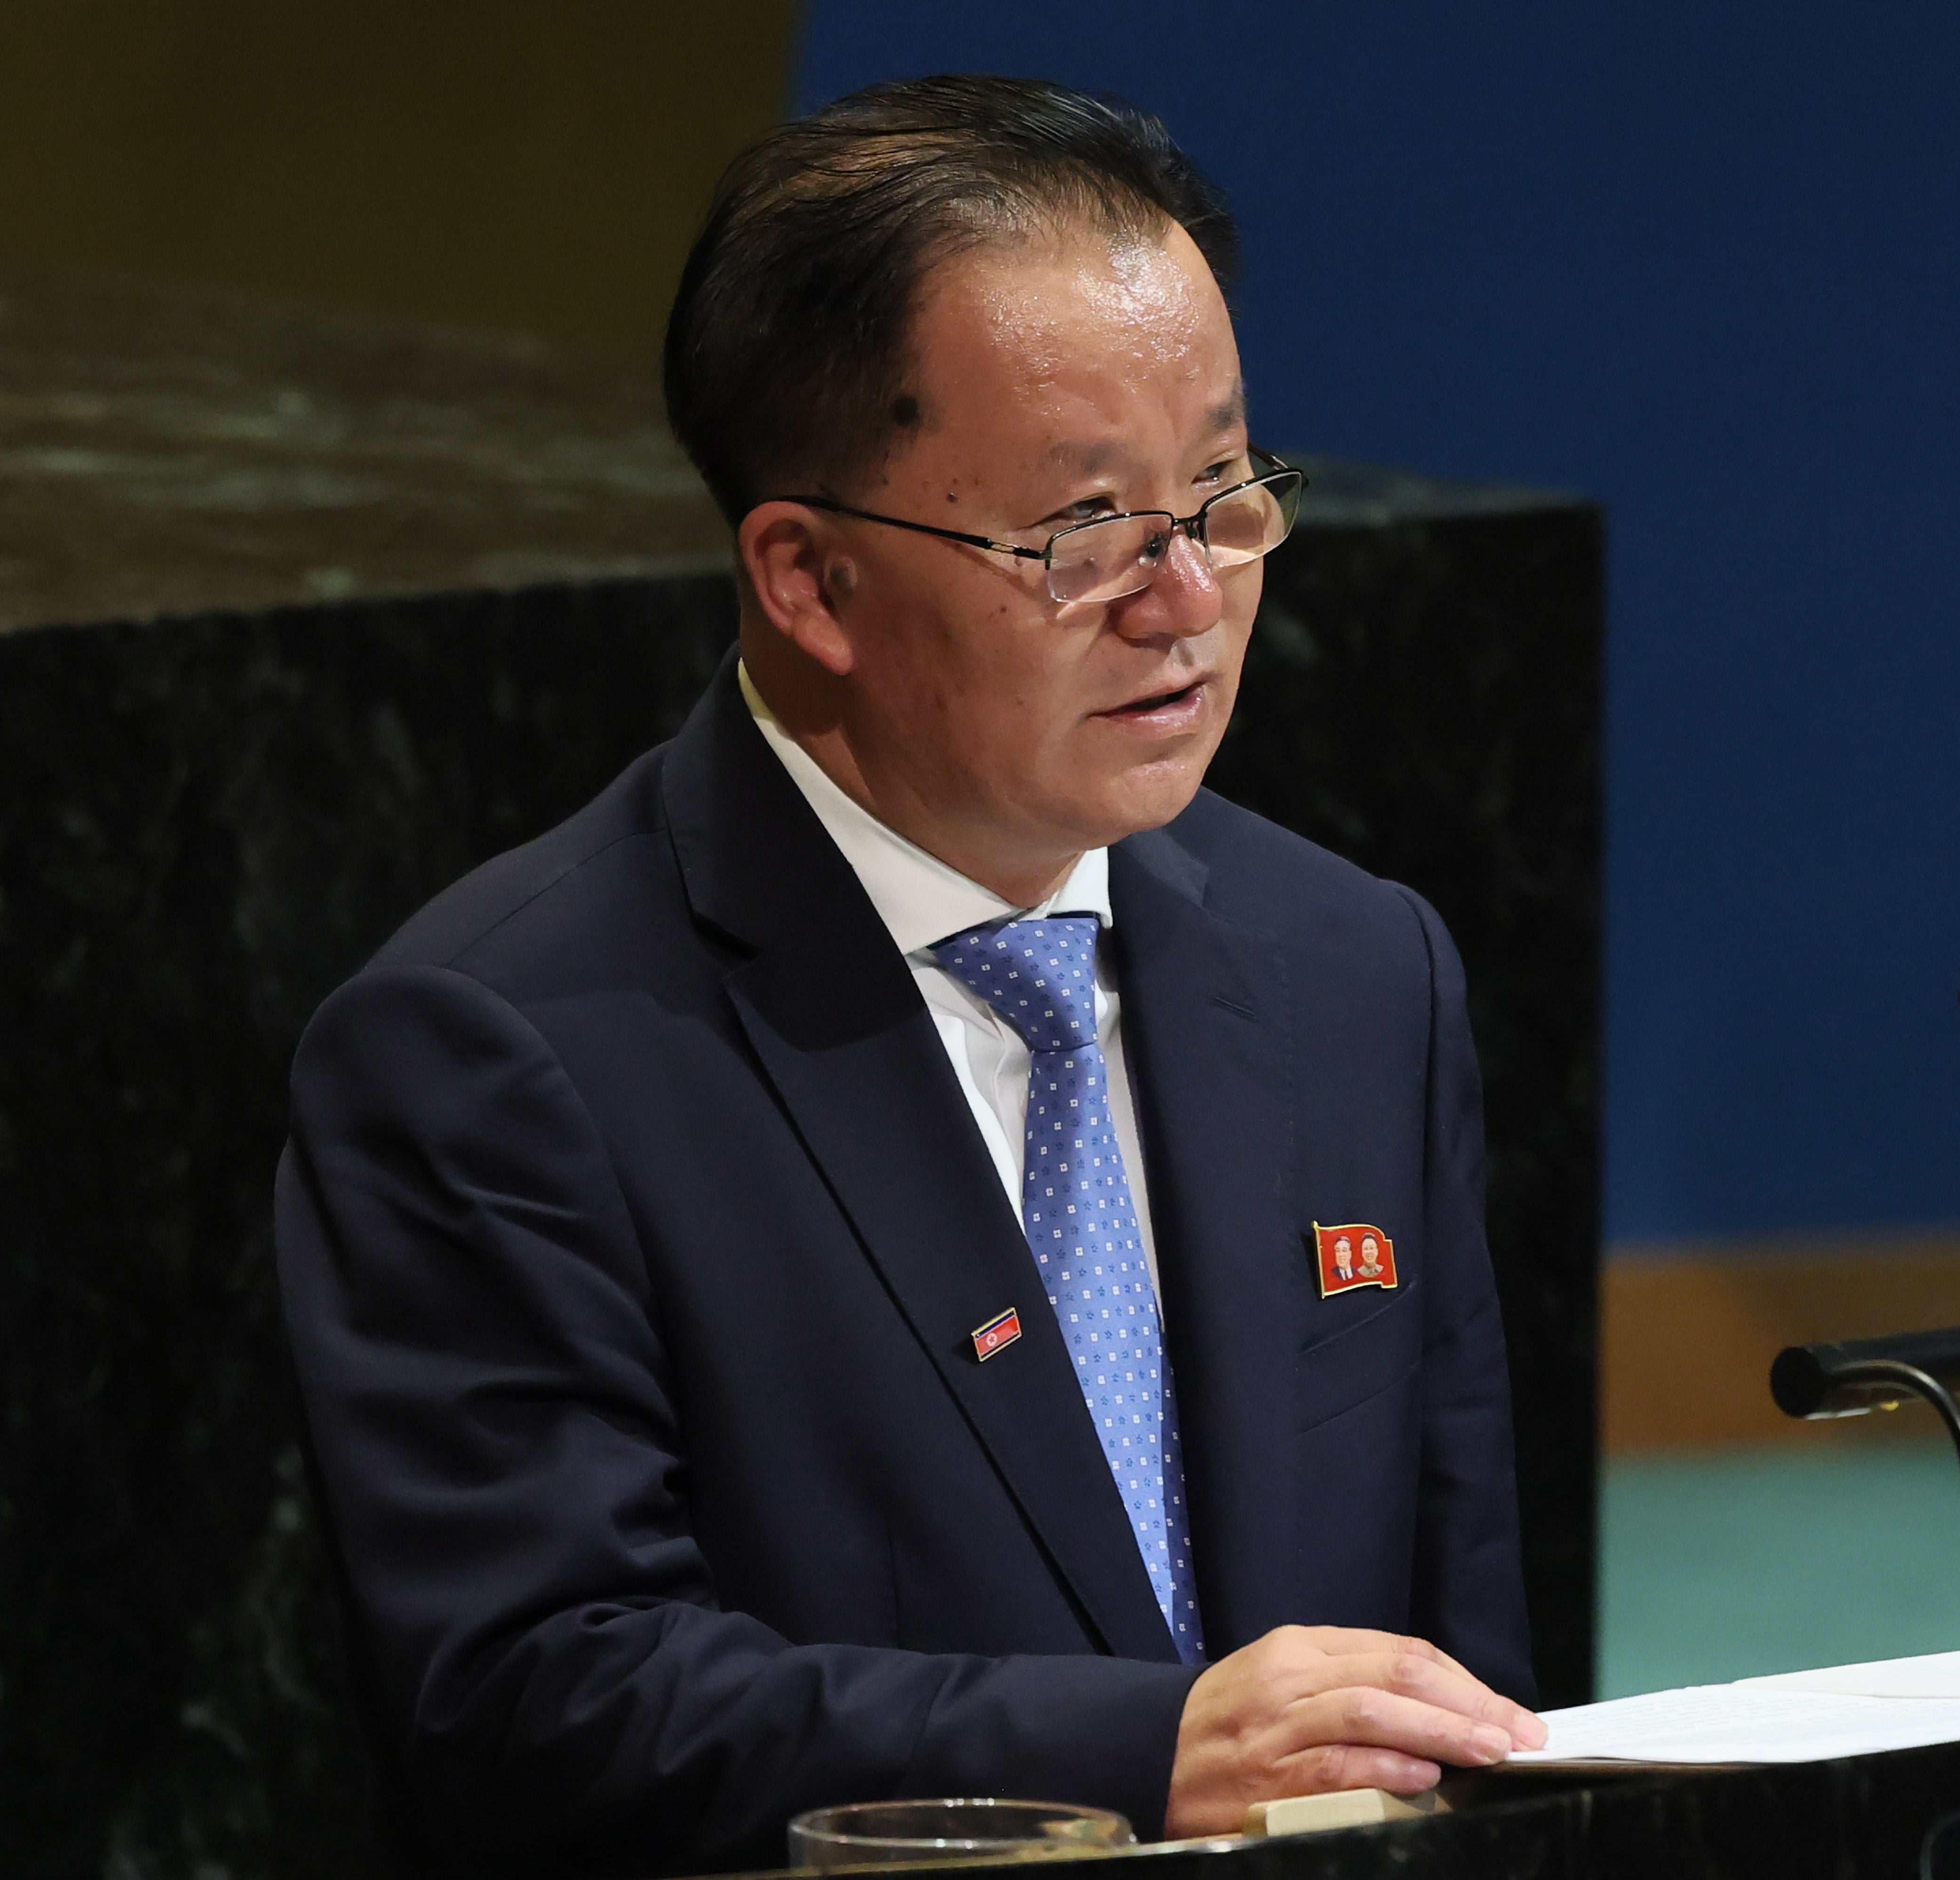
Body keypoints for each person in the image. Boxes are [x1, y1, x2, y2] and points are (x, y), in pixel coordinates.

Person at [274, 74, 1541, 1877]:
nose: (1186, 595)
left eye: (1223, 489)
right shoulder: (500, 1049)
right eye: (1084, 531)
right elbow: (544, 1700)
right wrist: (1141, 1752)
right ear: (809, 578)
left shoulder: (1354, 971)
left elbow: (1457, 1668)